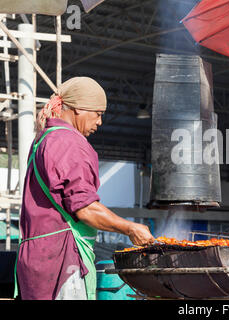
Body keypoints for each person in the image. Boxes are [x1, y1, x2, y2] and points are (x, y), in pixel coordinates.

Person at [15, 77, 154, 300]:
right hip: (60, 261)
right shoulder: (69, 142)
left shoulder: (43, 140)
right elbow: (85, 209)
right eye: (97, 113)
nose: (99, 122)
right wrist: (130, 228)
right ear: (79, 109)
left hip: (36, 262)